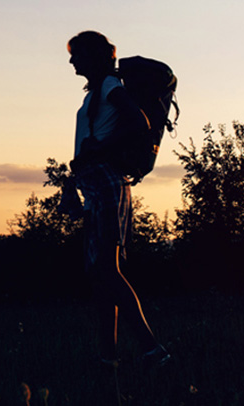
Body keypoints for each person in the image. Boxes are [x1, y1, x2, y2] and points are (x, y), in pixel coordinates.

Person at [61, 31, 170, 367]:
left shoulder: (109, 87)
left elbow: (140, 122)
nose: (72, 61)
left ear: (93, 55)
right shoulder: (98, 92)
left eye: (76, 54)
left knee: (107, 269)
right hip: (95, 184)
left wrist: (99, 150)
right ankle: (108, 355)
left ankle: (153, 349)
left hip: (107, 183)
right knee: (100, 272)